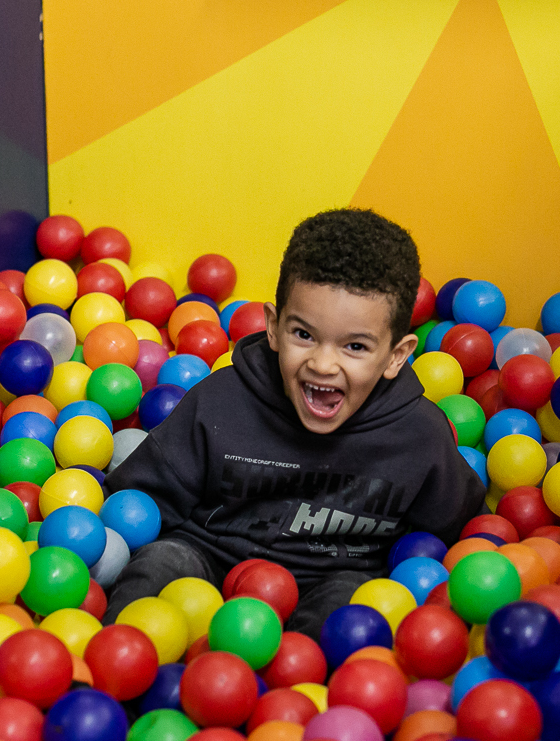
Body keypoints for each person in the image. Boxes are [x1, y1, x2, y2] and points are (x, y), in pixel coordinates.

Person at [103, 208, 487, 638]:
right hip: (208, 558)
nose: (323, 363)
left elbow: (469, 534)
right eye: (303, 335)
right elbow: (133, 506)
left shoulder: (419, 437)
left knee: (355, 614)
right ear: (273, 328)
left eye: (355, 346)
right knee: (159, 565)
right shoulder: (220, 402)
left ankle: (299, 702)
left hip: (338, 576)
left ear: (396, 356)